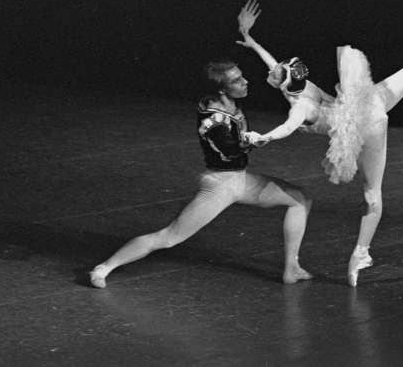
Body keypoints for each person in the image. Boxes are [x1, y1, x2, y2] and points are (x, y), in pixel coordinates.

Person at [236, 0, 403, 286]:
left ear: (284, 83)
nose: (270, 70)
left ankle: (360, 254)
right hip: (369, 101)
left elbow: (287, 127)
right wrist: (250, 40)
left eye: (275, 73)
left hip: (367, 123)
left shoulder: (300, 107)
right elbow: (275, 65)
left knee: (372, 193)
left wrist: (262, 137)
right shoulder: (301, 85)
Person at [89, 59, 314, 288]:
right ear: (222, 89)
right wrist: (257, 140)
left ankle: (291, 268)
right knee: (169, 237)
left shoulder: (228, 101)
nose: (245, 82)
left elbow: (275, 80)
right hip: (222, 185)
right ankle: (103, 268)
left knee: (300, 198)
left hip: (240, 180)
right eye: (237, 80)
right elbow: (230, 149)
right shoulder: (213, 120)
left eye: (242, 76)